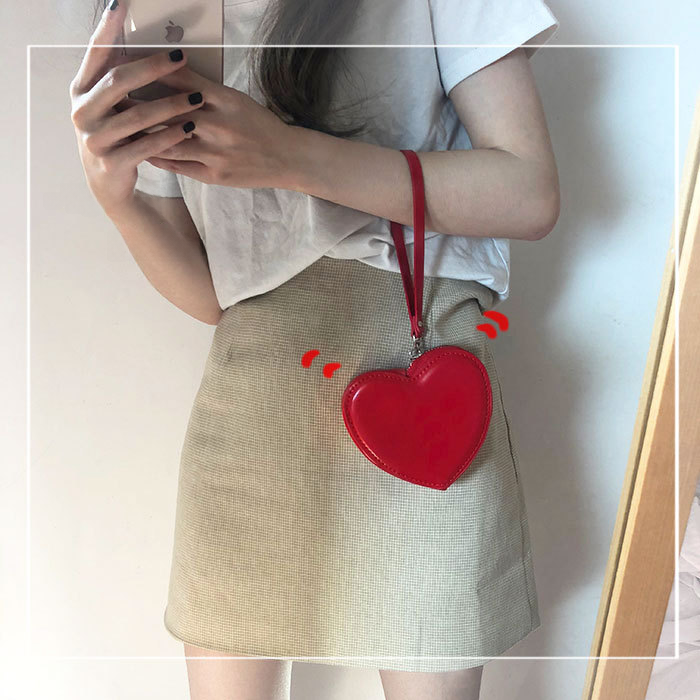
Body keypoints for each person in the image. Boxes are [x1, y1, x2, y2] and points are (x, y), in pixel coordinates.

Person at [70, 0, 561, 698]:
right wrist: (117, 199)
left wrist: (291, 156)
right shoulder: (163, 14)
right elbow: (215, 296)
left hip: (426, 404)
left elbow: (530, 194)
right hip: (254, 405)